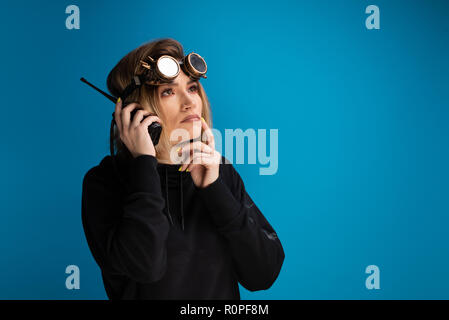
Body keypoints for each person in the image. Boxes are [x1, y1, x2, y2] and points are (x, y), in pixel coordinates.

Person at [81, 38, 285, 299]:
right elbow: (146, 267)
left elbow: (263, 274)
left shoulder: (218, 170)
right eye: (168, 91)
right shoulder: (106, 182)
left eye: (192, 88)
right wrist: (145, 165)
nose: (190, 102)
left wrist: (214, 190)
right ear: (134, 111)